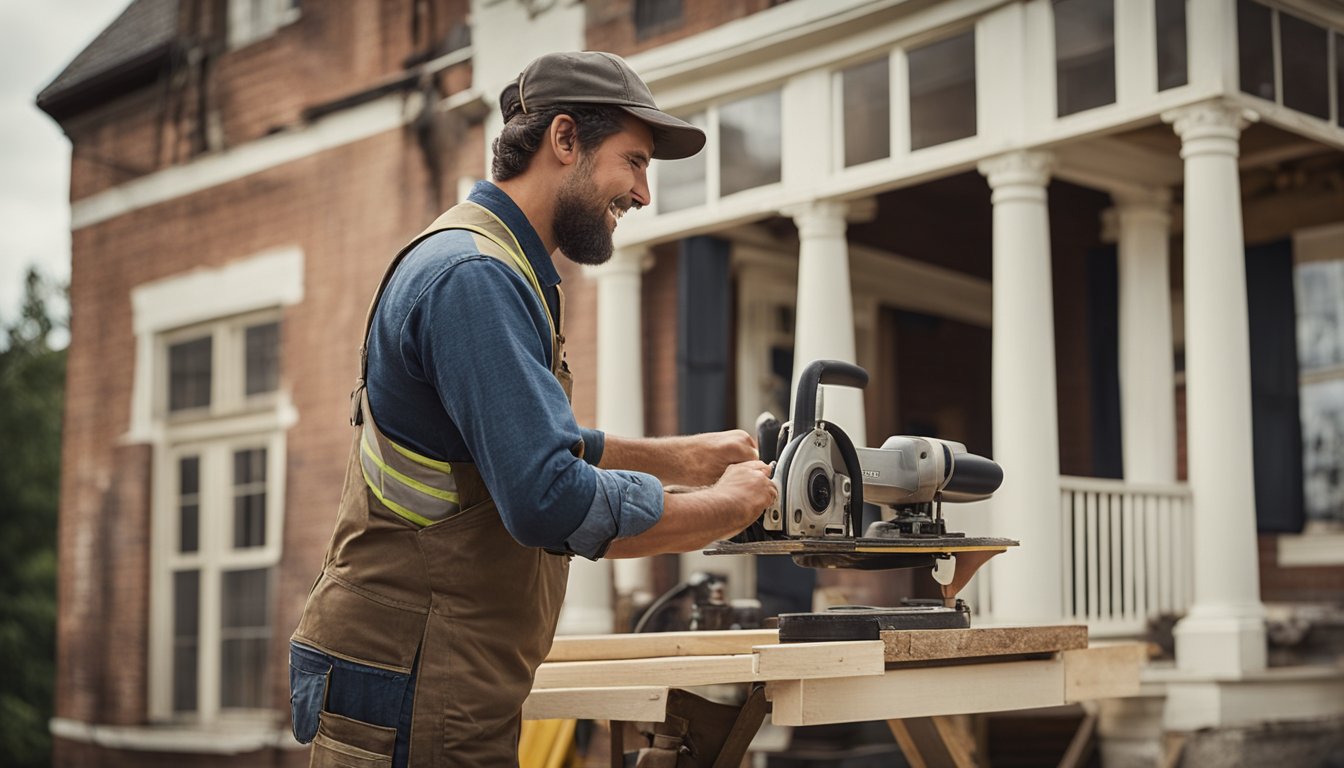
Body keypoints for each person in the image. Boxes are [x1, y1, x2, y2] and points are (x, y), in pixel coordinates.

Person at [288, 51, 777, 767]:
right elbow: (546, 497)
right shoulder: (475, 279)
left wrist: (683, 458)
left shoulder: (491, 263)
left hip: (431, 676)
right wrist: (723, 510)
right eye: (634, 162)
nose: (643, 193)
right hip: (415, 687)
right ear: (565, 140)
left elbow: (508, 446)